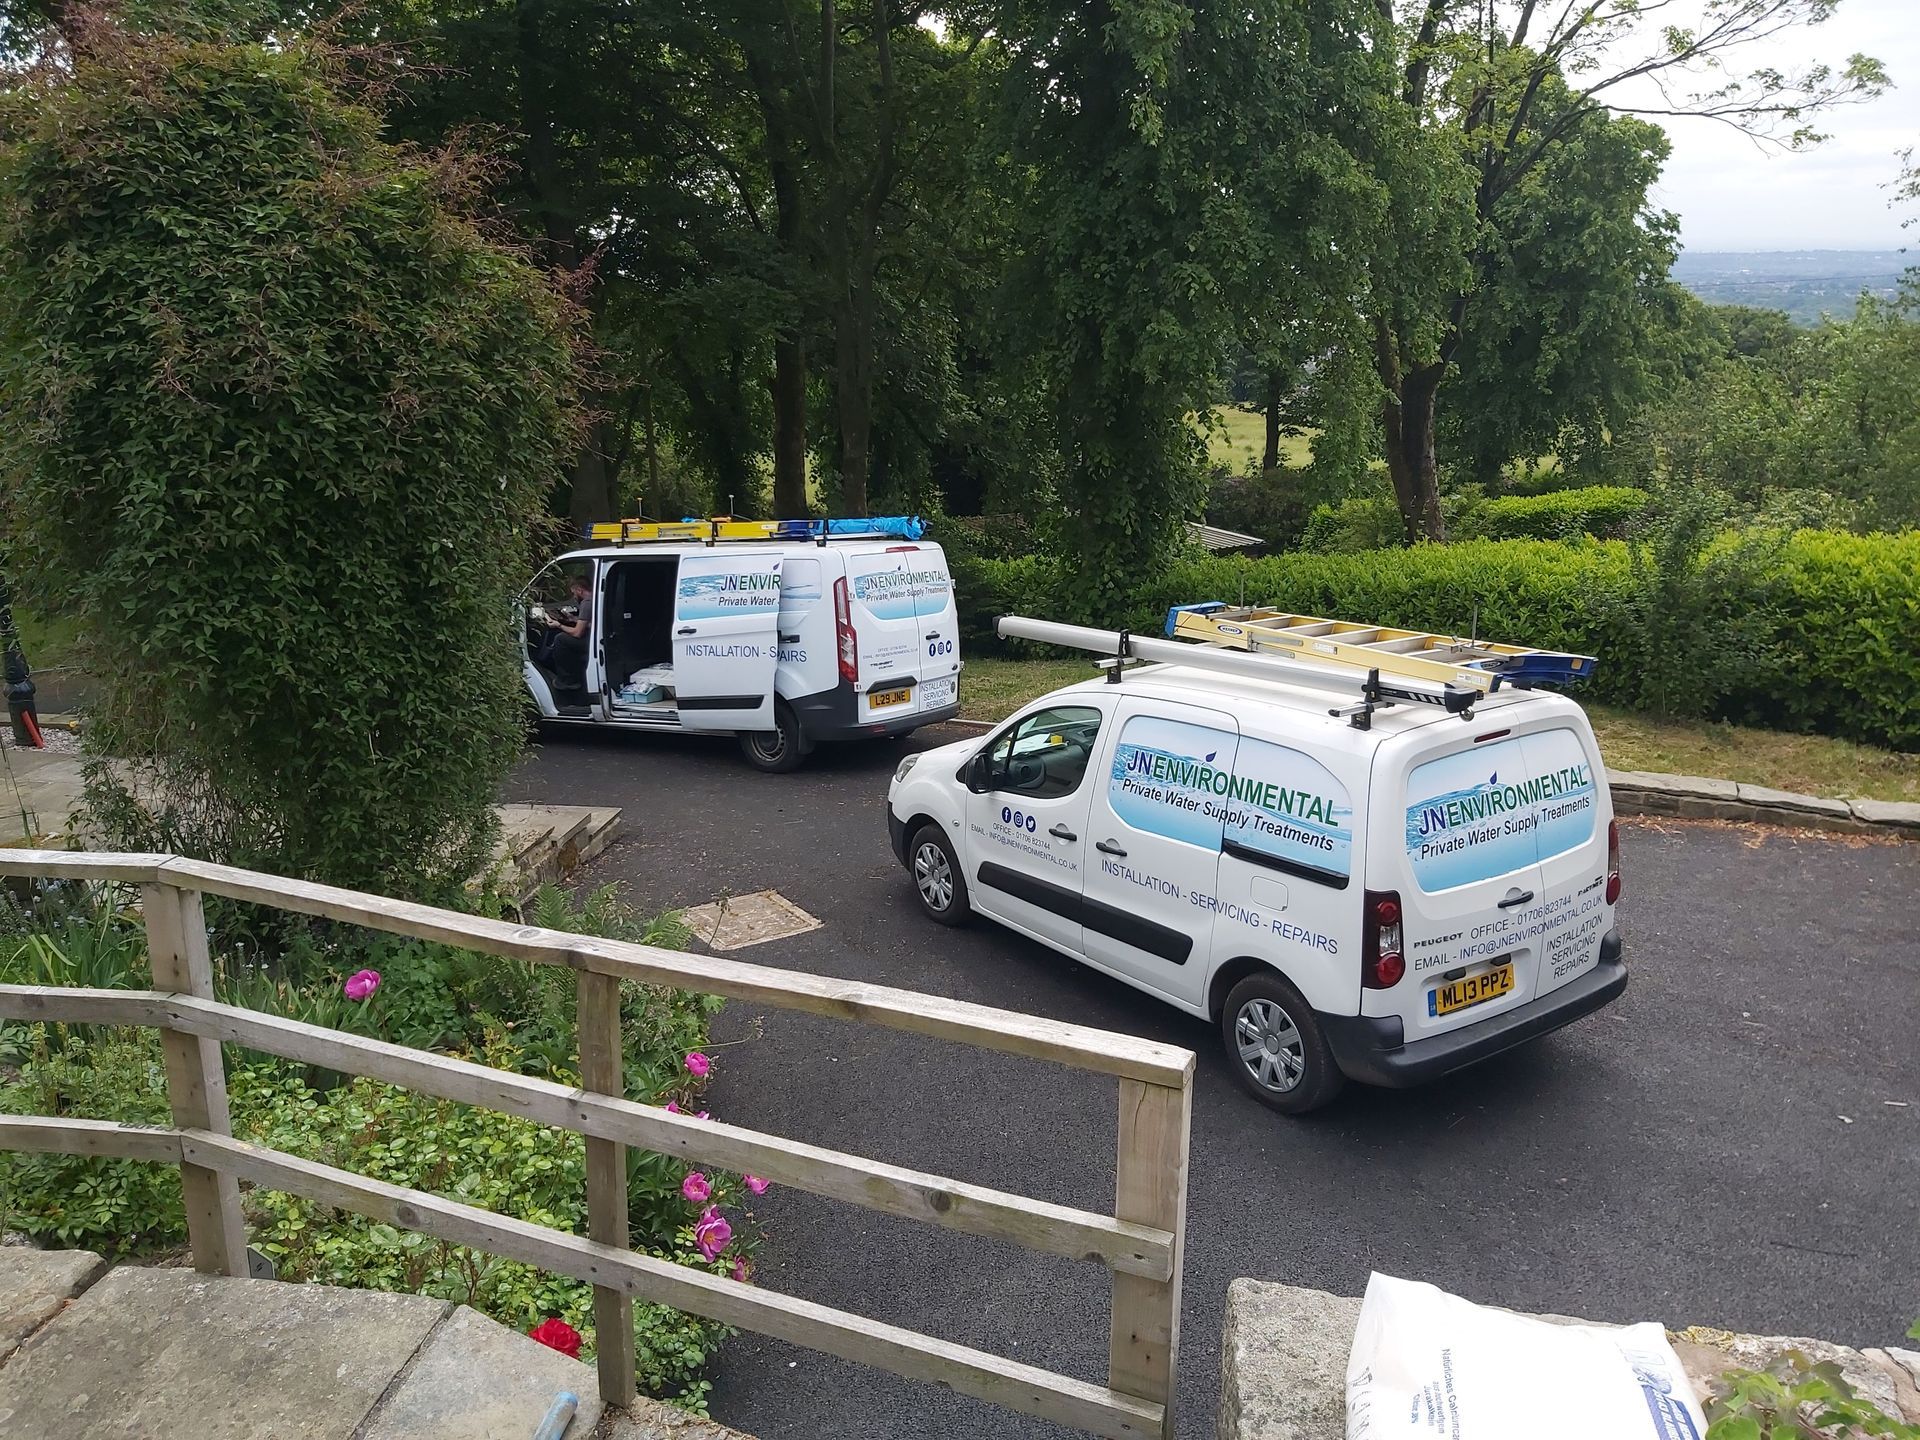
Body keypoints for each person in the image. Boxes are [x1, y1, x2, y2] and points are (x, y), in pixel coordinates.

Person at [536, 573, 592, 690]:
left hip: (591, 641)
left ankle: (567, 680)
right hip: (594, 636)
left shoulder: (586, 603)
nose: (574, 596)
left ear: (580, 590)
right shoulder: (594, 598)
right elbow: (591, 622)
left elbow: (577, 633)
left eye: (574, 593)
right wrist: (573, 619)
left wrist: (559, 625)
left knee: (560, 639)